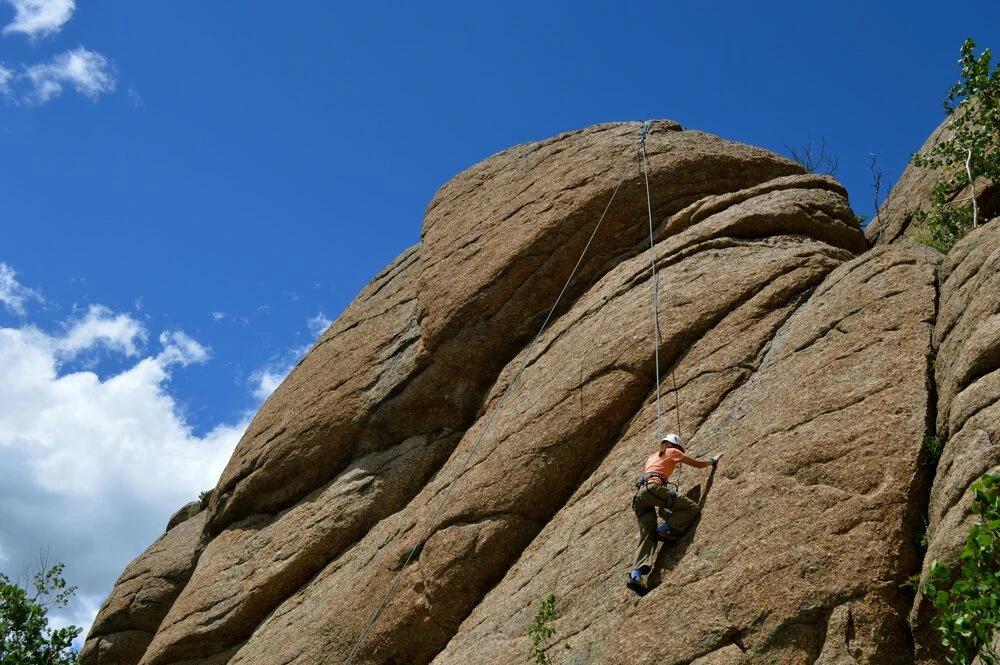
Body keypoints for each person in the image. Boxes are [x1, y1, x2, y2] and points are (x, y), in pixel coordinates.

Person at [627, 433, 719, 594]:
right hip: (653, 490)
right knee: (691, 508)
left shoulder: (652, 456)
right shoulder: (673, 452)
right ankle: (663, 530)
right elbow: (696, 464)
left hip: (639, 497)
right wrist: (712, 461)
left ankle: (635, 575)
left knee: (646, 536)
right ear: (676, 446)